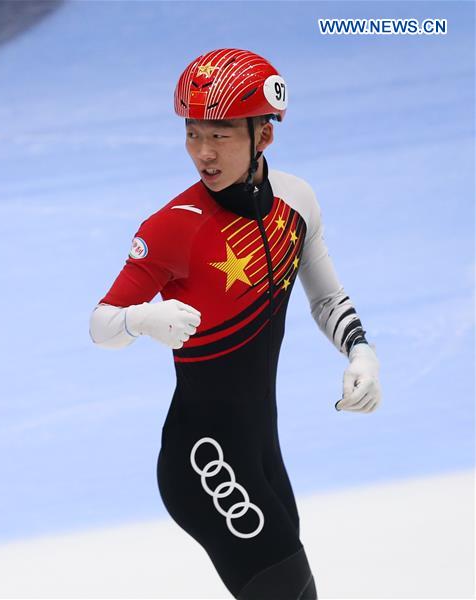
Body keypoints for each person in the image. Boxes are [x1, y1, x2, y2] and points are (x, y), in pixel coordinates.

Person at [89, 48, 382, 599]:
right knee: (285, 586)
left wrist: (361, 353)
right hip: (203, 462)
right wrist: (140, 318)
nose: (202, 151)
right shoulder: (175, 226)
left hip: (260, 454)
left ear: (263, 136)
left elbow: (326, 297)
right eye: (192, 133)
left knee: (298, 591)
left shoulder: (296, 202)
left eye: (219, 134)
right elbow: (100, 323)